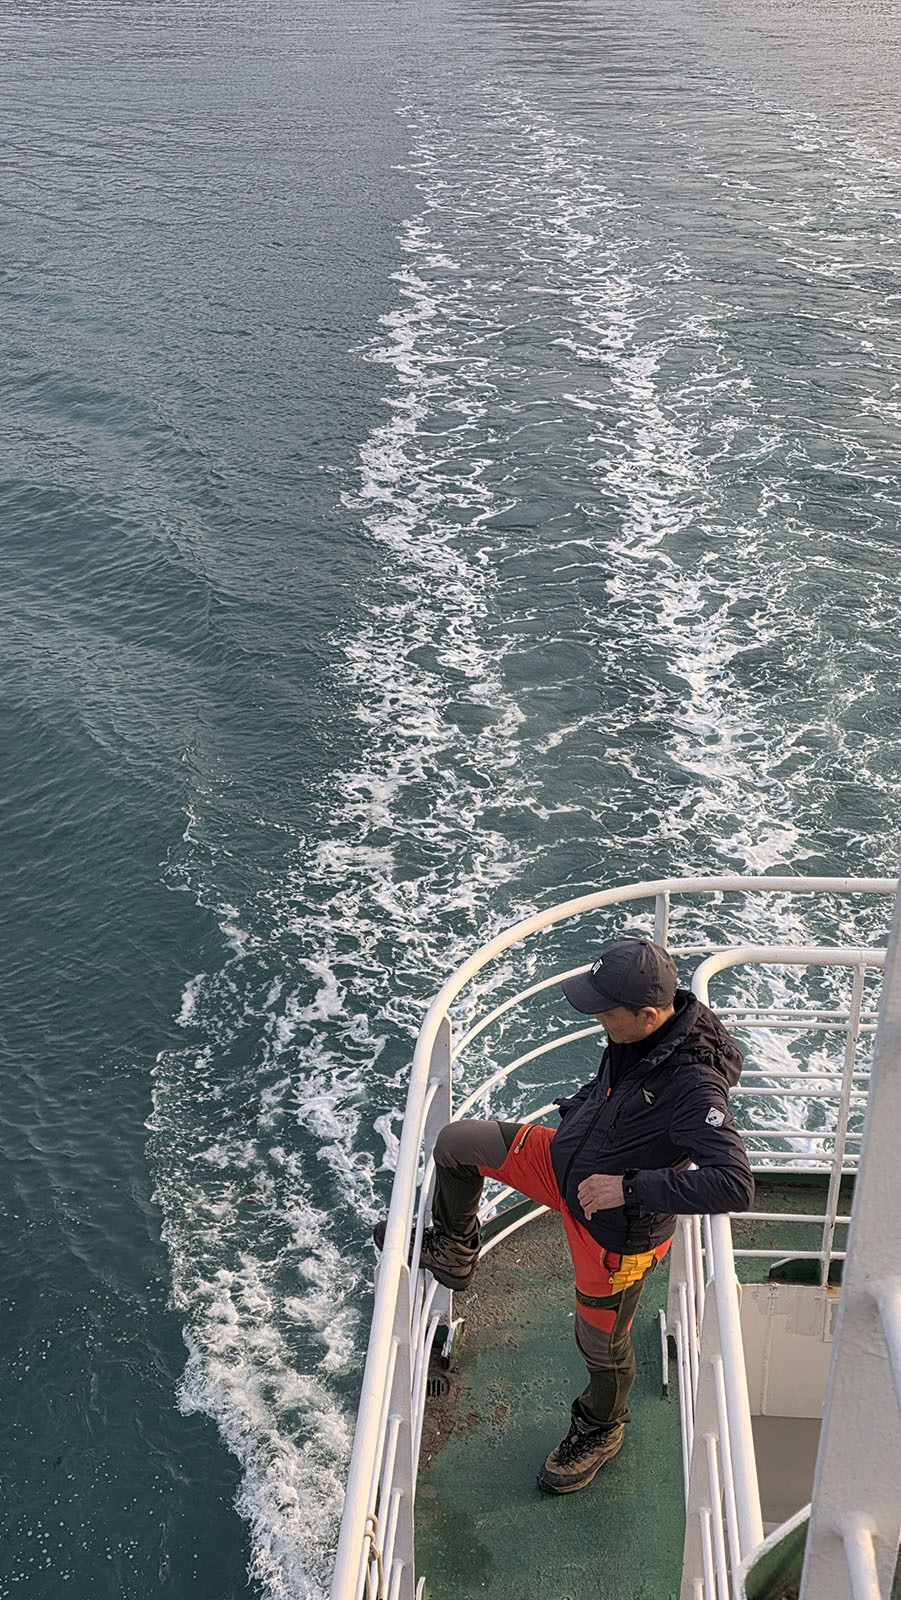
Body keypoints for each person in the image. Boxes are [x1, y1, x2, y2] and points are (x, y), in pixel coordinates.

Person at [375, 936, 754, 1494]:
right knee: (457, 1144)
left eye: (605, 1010)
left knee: (600, 1345)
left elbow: (735, 1184)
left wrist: (628, 1187)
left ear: (648, 1015)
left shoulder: (693, 1088)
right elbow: (614, 1092)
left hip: (614, 1231)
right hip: (563, 1167)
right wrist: (583, 1114)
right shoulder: (640, 1035)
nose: (597, 1018)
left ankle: (601, 1429)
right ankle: (455, 1250)